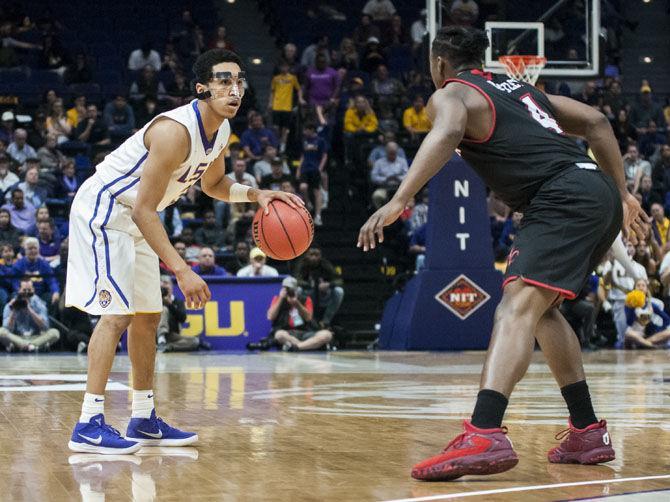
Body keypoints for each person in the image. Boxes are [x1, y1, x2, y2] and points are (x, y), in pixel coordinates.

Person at [358, 26, 647, 481]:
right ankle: (587, 429)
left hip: (561, 195)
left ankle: (485, 431)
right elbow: (596, 121)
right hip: (597, 191)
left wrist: (400, 199)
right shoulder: (520, 88)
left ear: (438, 64)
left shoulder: (452, 92)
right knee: (543, 311)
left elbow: (449, 130)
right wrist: (624, 194)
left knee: (514, 306)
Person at [65, 49, 303, 454]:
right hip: (106, 210)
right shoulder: (175, 131)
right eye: (224, 80)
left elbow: (213, 184)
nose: (234, 88)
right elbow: (142, 208)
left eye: (239, 80)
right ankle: (88, 423)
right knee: (118, 315)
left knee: (148, 317)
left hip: (140, 218)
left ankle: (142, 417)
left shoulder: (222, 131)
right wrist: (181, 269)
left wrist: (256, 193)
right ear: (202, 88)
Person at [267, 276, 333, 351]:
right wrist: (281, 299)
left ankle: (297, 347)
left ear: (297, 289)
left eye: (291, 289)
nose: (288, 292)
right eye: (286, 289)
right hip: (287, 332)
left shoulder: (306, 299)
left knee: (327, 335)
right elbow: (270, 317)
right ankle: (308, 346)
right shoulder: (277, 299)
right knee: (279, 335)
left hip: (305, 332)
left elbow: (308, 318)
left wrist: (297, 304)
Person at [0, 278, 59, 352]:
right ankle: (33, 346)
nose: (26, 293)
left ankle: (22, 346)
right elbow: (7, 328)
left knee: (55, 333)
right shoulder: (11, 304)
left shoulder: (39, 303)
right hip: (17, 337)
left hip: (36, 337)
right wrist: (13, 311)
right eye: (24, 290)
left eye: (29, 290)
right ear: (19, 290)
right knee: (1, 331)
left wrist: (30, 310)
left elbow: (45, 326)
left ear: (33, 290)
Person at [294, 247, 344, 327]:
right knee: (297, 290)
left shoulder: (325, 264)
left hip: (323, 295)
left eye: (316, 255)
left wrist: (328, 285)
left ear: (320, 256)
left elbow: (339, 280)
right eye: (311, 255)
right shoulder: (302, 264)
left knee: (339, 291)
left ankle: (325, 322)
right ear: (306, 255)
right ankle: (301, 322)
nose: (314, 257)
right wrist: (309, 284)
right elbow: (296, 280)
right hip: (308, 295)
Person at [157, 275, 199, 352]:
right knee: (163, 309)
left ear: (171, 286)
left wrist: (170, 305)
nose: (163, 286)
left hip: (171, 335)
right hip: (154, 334)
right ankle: (160, 338)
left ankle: (168, 347)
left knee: (194, 341)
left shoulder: (177, 301)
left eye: (166, 283)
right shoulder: (153, 300)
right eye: (161, 285)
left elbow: (183, 318)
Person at [269, 61, 304, 152]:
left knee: (285, 129)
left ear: (288, 67)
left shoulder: (292, 78)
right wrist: (270, 103)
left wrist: (300, 99)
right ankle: (276, 144)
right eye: (282, 66)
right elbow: (272, 92)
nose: (284, 68)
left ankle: (282, 147)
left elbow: (299, 89)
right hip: (277, 106)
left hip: (287, 107)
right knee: (276, 128)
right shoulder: (276, 79)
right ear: (280, 68)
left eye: (286, 66)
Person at [298, 123, 328, 225]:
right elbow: (302, 155)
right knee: (303, 187)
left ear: (311, 129)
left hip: (315, 169)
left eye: (306, 130)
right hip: (305, 169)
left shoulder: (320, 140)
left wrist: (320, 168)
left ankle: (318, 216)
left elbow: (324, 155)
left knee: (317, 191)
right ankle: (308, 203)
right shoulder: (305, 141)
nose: (304, 132)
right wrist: (298, 169)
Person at [370, 141, 408, 208]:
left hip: (399, 188)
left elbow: (407, 176)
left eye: (394, 153)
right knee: (377, 196)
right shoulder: (379, 162)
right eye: (390, 153)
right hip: (384, 187)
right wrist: (385, 179)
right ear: (386, 152)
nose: (392, 155)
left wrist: (398, 178)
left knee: (409, 197)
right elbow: (373, 177)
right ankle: (380, 215)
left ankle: (403, 217)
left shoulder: (402, 161)